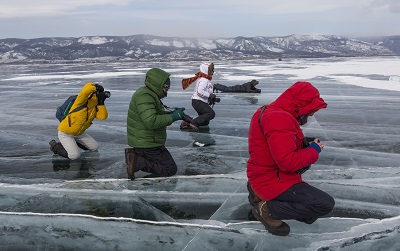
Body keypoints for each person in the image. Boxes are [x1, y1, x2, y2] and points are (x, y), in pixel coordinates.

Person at [247, 81, 335, 236]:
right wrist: (313, 150)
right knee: (323, 205)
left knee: (308, 213)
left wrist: (303, 142)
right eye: (309, 112)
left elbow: (276, 142)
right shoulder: (280, 118)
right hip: (272, 179)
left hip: (262, 173)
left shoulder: (269, 111)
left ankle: (257, 193)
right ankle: (266, 209)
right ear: (299, 105)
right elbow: (287, 162)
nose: (309, 116)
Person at [125, 68, 186, 180]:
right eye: (165, 87)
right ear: (157, 84)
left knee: (168, 166)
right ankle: (136, 161)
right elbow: (151, 121)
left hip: (149, 140)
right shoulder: (144, 96)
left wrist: (172, 113)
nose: (167, 90)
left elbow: (153, 114)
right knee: (169, 169)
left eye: (168, 87)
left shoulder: (149, 94)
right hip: (146, 143)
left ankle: (136, 156)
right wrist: (173, 117)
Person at [49, 82, 109, 160]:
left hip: (79, 133)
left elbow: (102, 117)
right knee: (74, 156)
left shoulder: (94, 107)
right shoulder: (80, 101)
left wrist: (101, 102)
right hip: (66, 133)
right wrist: (95, 86)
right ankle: (55, 147)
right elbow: (85, 91)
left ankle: (73, 143)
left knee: (94, 147)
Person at [180, 62, 219, 131]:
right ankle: (194, 123)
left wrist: (212, 99)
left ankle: (187, 123)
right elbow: (199, 91)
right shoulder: (203, 80)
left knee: (205, 121)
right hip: (197, 101)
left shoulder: (207, 81)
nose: (213, 72)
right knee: (211, 113)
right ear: (206, 71)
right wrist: (209, 95)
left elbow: (206, 93)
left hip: (199, 101)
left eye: (212, 70)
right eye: (211, 70)